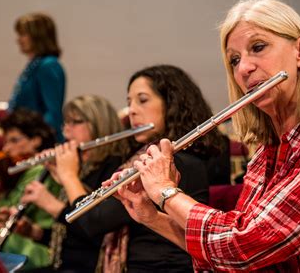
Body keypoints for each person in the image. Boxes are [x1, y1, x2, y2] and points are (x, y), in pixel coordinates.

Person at [113, 0, 300, 272]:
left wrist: (166, 192)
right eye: (234, 60)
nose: (243, 68)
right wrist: (152, 217)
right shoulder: (266, 153)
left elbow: (244, 246)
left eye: (258, 47)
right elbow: (226, 252)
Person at [71, 65, 224, 272]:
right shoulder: (141, 157)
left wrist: (67, 175)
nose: (131, 110)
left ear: (172, 104)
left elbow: (92, 222)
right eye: (129, 102)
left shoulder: (173, 161)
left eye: (142, 100)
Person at [12, 95, 129, 272]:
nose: (66, 130)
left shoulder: (115, 167)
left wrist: (53, 203)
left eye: (75, 122)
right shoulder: (81, 167)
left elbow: (96, 233)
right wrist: (36, 232)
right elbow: (72, 235)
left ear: (100, 124)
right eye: (65, 122)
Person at [0, 109, 60, 270]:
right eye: (5, 142)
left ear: (35, 140)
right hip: (18, 245)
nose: (6, 148)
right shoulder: (23, 172)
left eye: (14, 140)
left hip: (33, 253)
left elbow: (4, 211)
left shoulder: (40, 169)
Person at [9, 12, 66, 142]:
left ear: (38, 37)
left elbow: (53, 112)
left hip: (38, 143)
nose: (18, 40)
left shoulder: (49, 65)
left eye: (23, 34)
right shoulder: (35, 65)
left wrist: (35, 140)